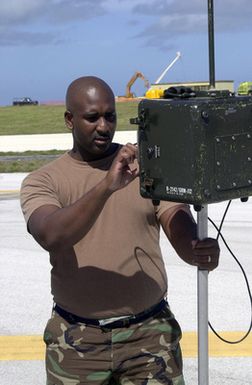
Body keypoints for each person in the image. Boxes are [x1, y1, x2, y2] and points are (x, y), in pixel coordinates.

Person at [20, 76, 220, 385]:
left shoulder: (145, 167)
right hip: (77, 342)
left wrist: (194, 247)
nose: (103, 125)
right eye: (92, 117)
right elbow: (51, 234)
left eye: (110, 115)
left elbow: (173, 217)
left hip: (149, 335)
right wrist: (107, 186)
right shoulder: (43, 180)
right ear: (69, 120)